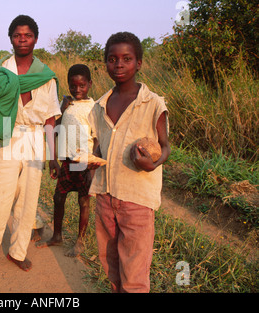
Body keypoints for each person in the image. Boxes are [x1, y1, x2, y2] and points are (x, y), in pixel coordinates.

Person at [0, 15, 61, 272]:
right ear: (10, 38)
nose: (23, 39)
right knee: (0, 197)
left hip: (34, 138)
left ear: (36, 38)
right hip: (4, 137)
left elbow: (50, 118)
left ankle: (18, 251)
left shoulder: (46, 76)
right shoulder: (0, 72)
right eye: (17, 35)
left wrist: (52, 155)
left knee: (28, 200)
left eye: (28, 35)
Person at [87, 32, 170, 293]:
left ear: (139, 63)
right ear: (106, 64)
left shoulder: (152, 103)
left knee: (134, 274)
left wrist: (153, 164)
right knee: (111, 265)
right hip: (105, 198)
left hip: (136, 201)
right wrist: (92, 163)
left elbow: (165, 146)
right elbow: (98, 144)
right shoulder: (100, 105)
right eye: (112, 59)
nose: (119, 65)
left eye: (126, 58)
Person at [36, 64, 97, 257]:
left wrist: (93, 165)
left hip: (84, 163)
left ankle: (80, 241)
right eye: (73, 86)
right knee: (58, 197)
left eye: (82, 86)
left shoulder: (94, 108)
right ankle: (57, 236)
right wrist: (61, 109)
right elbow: (56, 128)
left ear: (89, 84)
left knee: (83, 201)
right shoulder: (66, 105)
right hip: (66, 162)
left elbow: (96, 138)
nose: (77, 90)